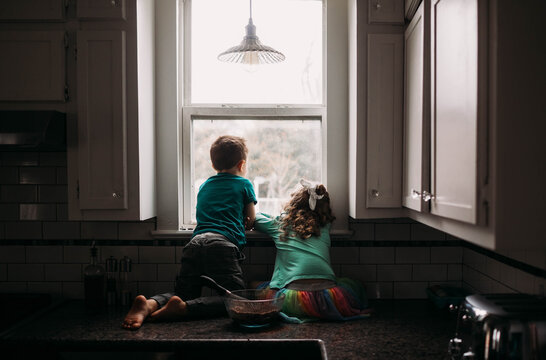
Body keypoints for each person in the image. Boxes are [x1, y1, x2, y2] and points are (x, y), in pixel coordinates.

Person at [122, 135, 257, 329]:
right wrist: (244, 222)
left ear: (213, 165)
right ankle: (185, 309)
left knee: (184, 293)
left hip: (194, 243)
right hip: (221, 245)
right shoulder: (244, 184)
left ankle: (150, 304)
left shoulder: (205, 185)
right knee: (236, 300)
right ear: (242, 164)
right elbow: (251, 220)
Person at [253, 179, 370, 323]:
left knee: (254, 286)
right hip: (328, 298)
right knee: (357, 286)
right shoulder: (325, 225)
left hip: (293, 299)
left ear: (293, 204)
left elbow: (256, 218)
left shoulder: (280, 225)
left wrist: (276, 218)